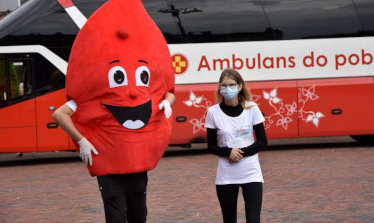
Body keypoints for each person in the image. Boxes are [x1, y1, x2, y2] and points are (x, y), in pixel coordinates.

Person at [52, 92, 175, 222]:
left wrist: (168, 102)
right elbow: (59, 114)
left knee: (138, 216)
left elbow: (167, 93)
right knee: (115, 217)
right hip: (110, 170)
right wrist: (81, 140)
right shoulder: (90, 96)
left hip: (135, 166)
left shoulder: (134, 91)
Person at [205, 68, 268, 223]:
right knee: (229, 219)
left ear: (240, 86)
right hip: (226, 176)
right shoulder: (213, 112)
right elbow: (211, 146)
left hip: (251, 173)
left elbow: (262, 141)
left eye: (232, 85)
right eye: (224, 85)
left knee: (253, 220)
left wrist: (240, 153)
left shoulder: (252, 108)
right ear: (220, 87)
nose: (228, 89)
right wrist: (228, 152)